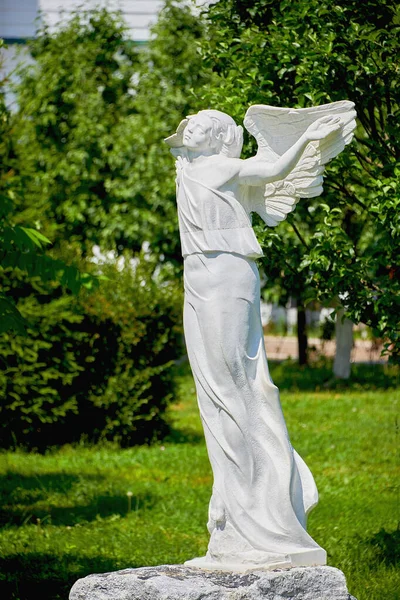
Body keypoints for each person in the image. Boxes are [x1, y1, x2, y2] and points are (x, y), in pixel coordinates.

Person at [164, 108, 344, 571]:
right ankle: (234, 506)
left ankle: (268, 507)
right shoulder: (188, 167)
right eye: (191, 127)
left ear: (223, 138)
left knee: (233, 385)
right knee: (212, 388)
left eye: (203, 125)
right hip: (198, 272)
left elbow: (276, 169)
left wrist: (307, 137)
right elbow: (177, 146)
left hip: (226, 271)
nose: (191, 131)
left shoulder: (223, 166)